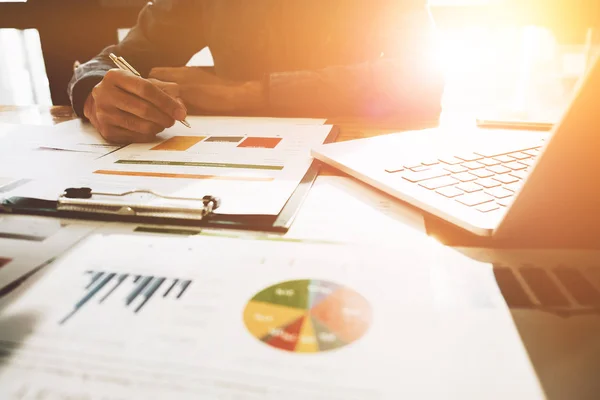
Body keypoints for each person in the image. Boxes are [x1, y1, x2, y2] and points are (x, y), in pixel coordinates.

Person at [69, 0, 444, 143]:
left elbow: (420, 77)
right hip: (231, 166)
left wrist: (248, 93)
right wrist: (93, 94)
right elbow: (114, 61)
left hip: (353, 154)